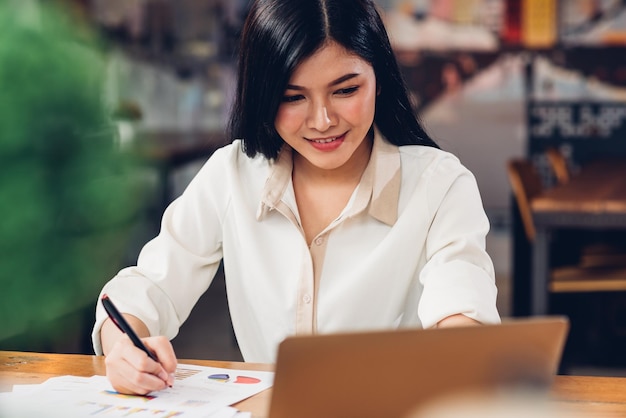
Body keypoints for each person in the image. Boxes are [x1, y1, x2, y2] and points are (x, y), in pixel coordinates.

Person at [93, 0, 500, 395]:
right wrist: (123, 347)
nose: (322, 121)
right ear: (263, 95)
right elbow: (150, 287)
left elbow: (462, 308)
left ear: (380, 77)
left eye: (345, 90)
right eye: (292, 97)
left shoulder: (439, 185)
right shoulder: (233, 174)